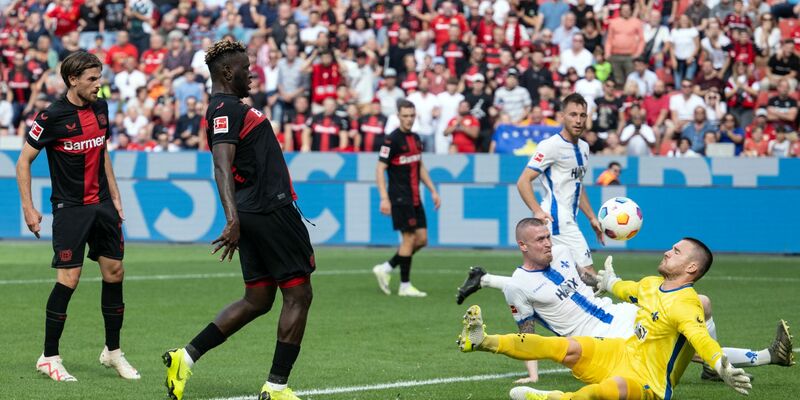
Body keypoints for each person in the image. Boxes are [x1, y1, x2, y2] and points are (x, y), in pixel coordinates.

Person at [458, 231, 794, 400]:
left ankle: (553, 399)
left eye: (675, 251)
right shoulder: (652, 284)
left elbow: (700, 337)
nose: (667, 250)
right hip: (621, 348)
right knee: (567, 347)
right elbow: (628, 289)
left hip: (648, 378)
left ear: (691, 267)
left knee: (613, 389)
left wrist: (719, 363)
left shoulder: (685, 304)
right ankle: (482, 341)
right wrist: (610, 281)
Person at [163, 40, 315, 400]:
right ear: (229, 72)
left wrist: (237, 218)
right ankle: (276, 387)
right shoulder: (225, 110)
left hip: (254, 212)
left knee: (258, 299)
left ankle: (185, 357)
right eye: (247, 67)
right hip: (268, 209)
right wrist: (231, 219)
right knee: (298, 294)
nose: (252, 72)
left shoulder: (227, 107)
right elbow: (221, 165)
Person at [16, 51, 139, 382]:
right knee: (68, 280)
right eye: (92, 79)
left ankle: (113, 352)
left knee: (115, 273)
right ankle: (49, 356)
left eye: (99, 78)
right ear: (73, 80)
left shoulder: (101, 108)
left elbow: (103, 152)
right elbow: (23, 161)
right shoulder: (51, 117)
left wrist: (115, 194)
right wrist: (28, 207)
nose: (98, 85)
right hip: (71, 209)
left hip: (102, 205)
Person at [512, 93, 604, 284]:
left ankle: (486, 280)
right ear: (562, 116)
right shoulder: (551, 145)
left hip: (569, 218)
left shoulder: (585, 148)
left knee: (553, 282)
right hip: (557, 220)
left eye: (582, 115)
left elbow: (577, 185)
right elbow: (523, 181)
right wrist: (537, 210)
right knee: (589, 277)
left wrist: (592, 217)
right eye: (573, 114)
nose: (578, 120)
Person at [372, 99, 441, 297]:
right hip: (400, 197)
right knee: (409, 238)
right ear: (398, 116)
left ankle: (386, 268)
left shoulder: (416, 138)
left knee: (422, 240)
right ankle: (405, 285)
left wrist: (433, 190)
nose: (409, 119)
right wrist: (384, 198)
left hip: (415, 196)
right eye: (405, 116)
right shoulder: (391, 140)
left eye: (412, 116)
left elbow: (419, 166)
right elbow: (380, 169)